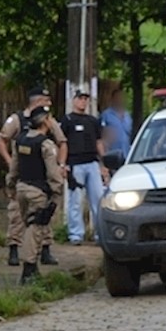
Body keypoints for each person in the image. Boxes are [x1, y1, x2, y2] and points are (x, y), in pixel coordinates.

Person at [0, 86, 68, 266]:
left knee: (43, 219)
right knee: (18, 217)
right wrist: (11, 162)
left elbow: (62, 142)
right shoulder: (17, 120)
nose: (49, 103)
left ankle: (44, 250)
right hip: (26, 177)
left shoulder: (49, 122)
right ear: (37, 102)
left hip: (40, 178)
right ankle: (16, 250)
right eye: (46, 100)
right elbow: (1, 141)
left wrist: (60, 164)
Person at [6, 105, 64, 284]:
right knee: (36, 229)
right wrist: (57, 192)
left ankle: (33, 267)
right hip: (38, 192)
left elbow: (14, 167)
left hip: (22, 189)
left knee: (29, 227)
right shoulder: (46, 144)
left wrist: (10, 185)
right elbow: (53, 173)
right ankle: (29, 269)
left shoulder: (20, 140)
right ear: (46, 121)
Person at [59, 88, 107, 244]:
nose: (83, 101)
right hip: (74, 164)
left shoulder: (93, 121)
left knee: (98, 200)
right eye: (80, 98)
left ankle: (101, 234)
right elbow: (61, 143)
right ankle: (75, 234)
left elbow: (99, 142)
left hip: (92, 163)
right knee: (75, 201)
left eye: (86, 99)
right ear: (74, 100)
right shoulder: (67, 120)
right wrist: (63, 164)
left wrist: (104, 163)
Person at [100, 88, 133, 158]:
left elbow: (130, 131)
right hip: (113, 154)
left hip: (127, 153)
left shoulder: (127, 115)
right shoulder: (106, 115)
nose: (119, 100)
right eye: (117, 97)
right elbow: (101, 136)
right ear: (112, 99)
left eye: (121, 98)